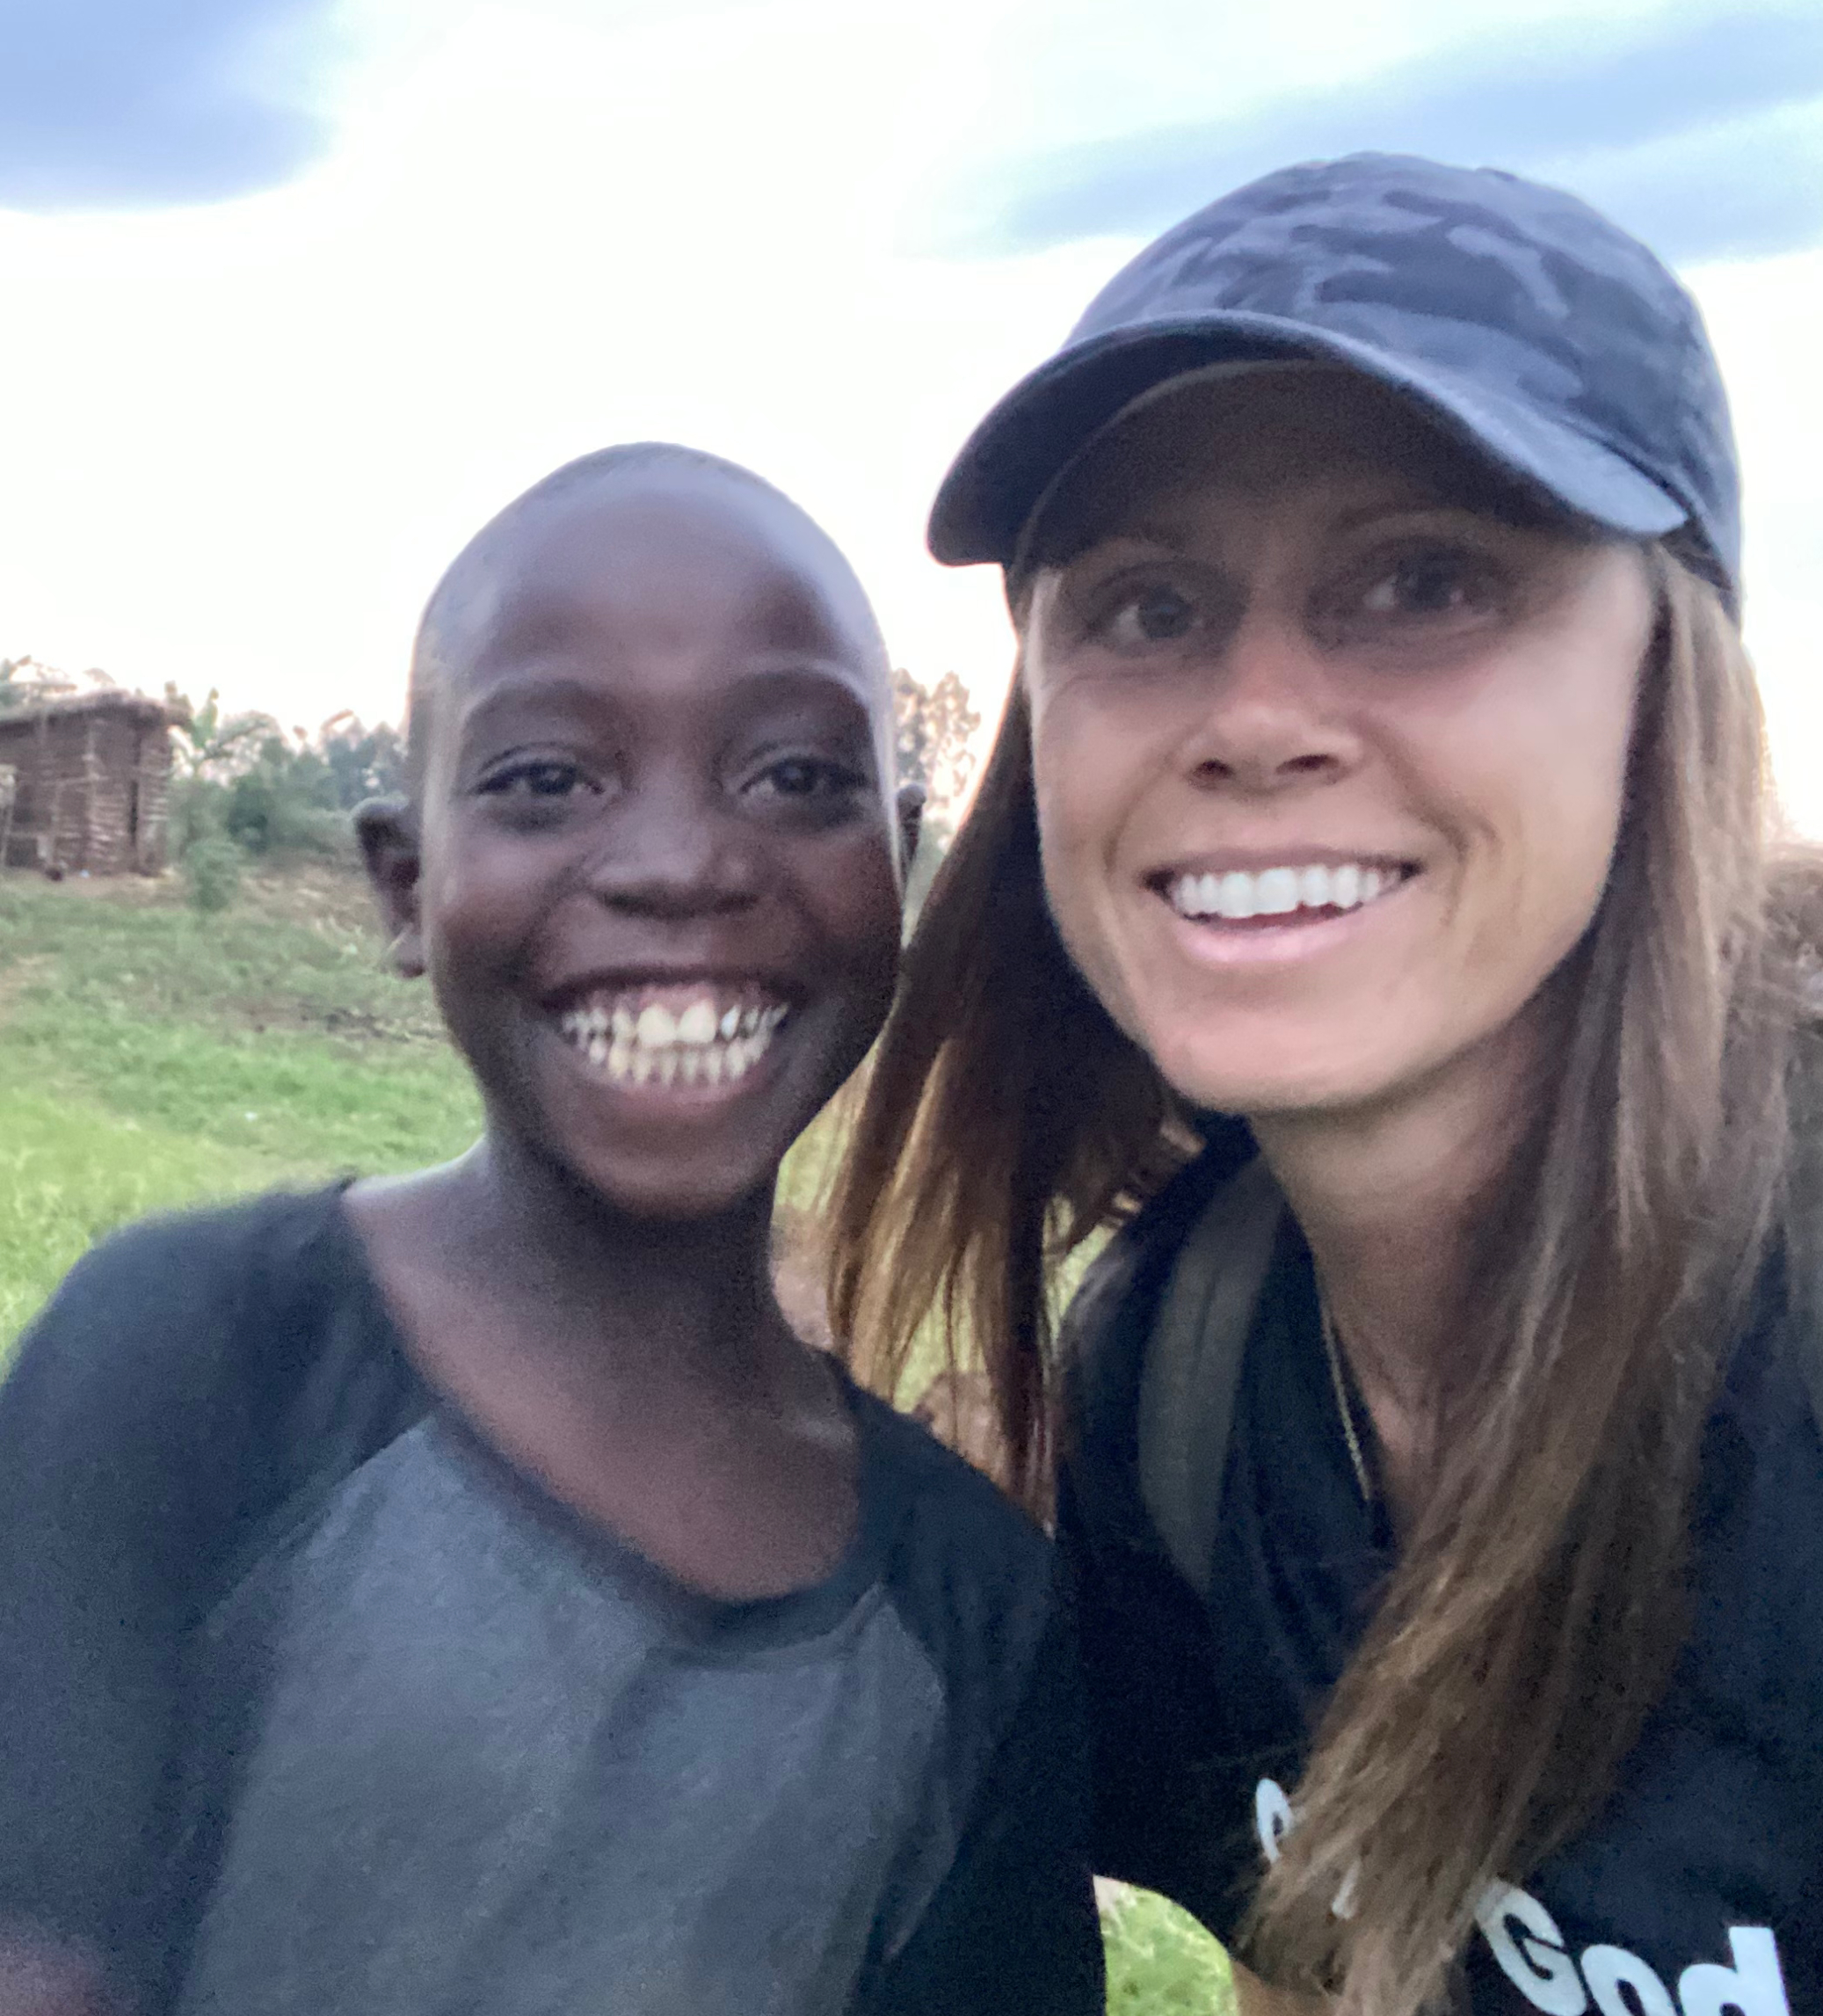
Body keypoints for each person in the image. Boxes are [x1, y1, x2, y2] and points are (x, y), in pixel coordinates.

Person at [827, 156, 1823, 2015]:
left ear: (1666, 682)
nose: (1254, 715)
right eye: (1140, 608)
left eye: (1423, 579)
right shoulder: (1184, 1382)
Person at [0, 443, 1103, 2016]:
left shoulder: (968, 1605)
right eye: (545, 782)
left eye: (794, 776)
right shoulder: (189, 1362)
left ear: (899, 860)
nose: (678, 865)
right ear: (402, 884)